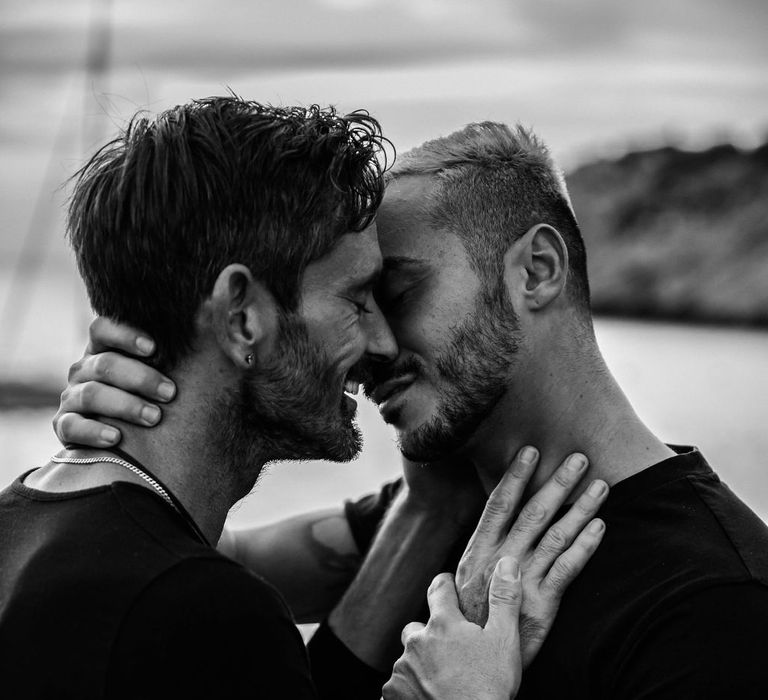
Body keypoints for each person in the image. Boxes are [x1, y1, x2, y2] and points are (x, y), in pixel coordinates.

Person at [62, 120, 768, 698]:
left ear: (538, 270)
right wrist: (136, 426)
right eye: (353, 299)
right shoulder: (440, 506)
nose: (370, 342)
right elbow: (159, 581)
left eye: (396, 294)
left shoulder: (719, 601)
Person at [1, 99, 605, 699]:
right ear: (241, 317)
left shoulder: (19, 526)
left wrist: (433, 508)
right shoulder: (204, 613)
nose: (381, 339)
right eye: (358, 297)